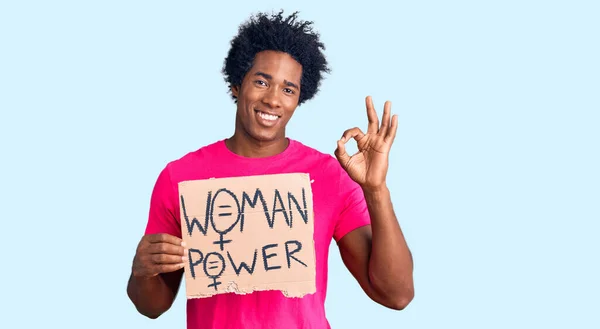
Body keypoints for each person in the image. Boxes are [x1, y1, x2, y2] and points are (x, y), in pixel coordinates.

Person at [127, 10, 414, 329]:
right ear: (237, 85)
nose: (273, 100)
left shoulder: (329, 176)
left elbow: (396, 295)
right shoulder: (180, 177)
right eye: (262, 81)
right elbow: (152, 306)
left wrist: (375, 190)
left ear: (298, 99)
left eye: (288, 89)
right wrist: (141, 270)